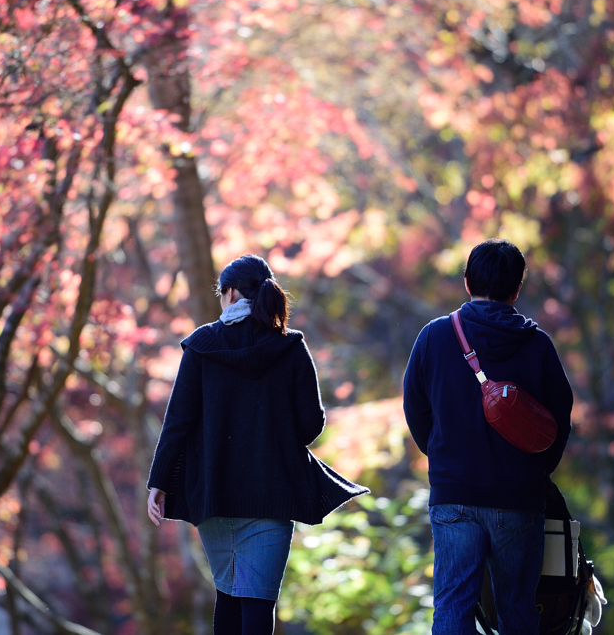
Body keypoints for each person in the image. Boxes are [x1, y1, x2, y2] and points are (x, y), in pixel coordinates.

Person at [146, 254, 369, 635]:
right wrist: (273, 433)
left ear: (231, 293)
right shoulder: (291, 348)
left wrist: (159, 482)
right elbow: (311, 424)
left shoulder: (201, 346)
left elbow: (178, 422)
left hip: (214, 493)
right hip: (273, 492)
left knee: (228, 595)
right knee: (258, 601)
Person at [402, 239, 573, 635]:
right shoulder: (538, 345)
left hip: (455, 494)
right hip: (518, 496)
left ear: (466, 282)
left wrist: (445, 458)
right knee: (518, 612)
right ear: (517, 288)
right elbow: (560, 419)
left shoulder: (435, 337)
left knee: (452, 606)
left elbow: (415, 408)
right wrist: (535, 469)